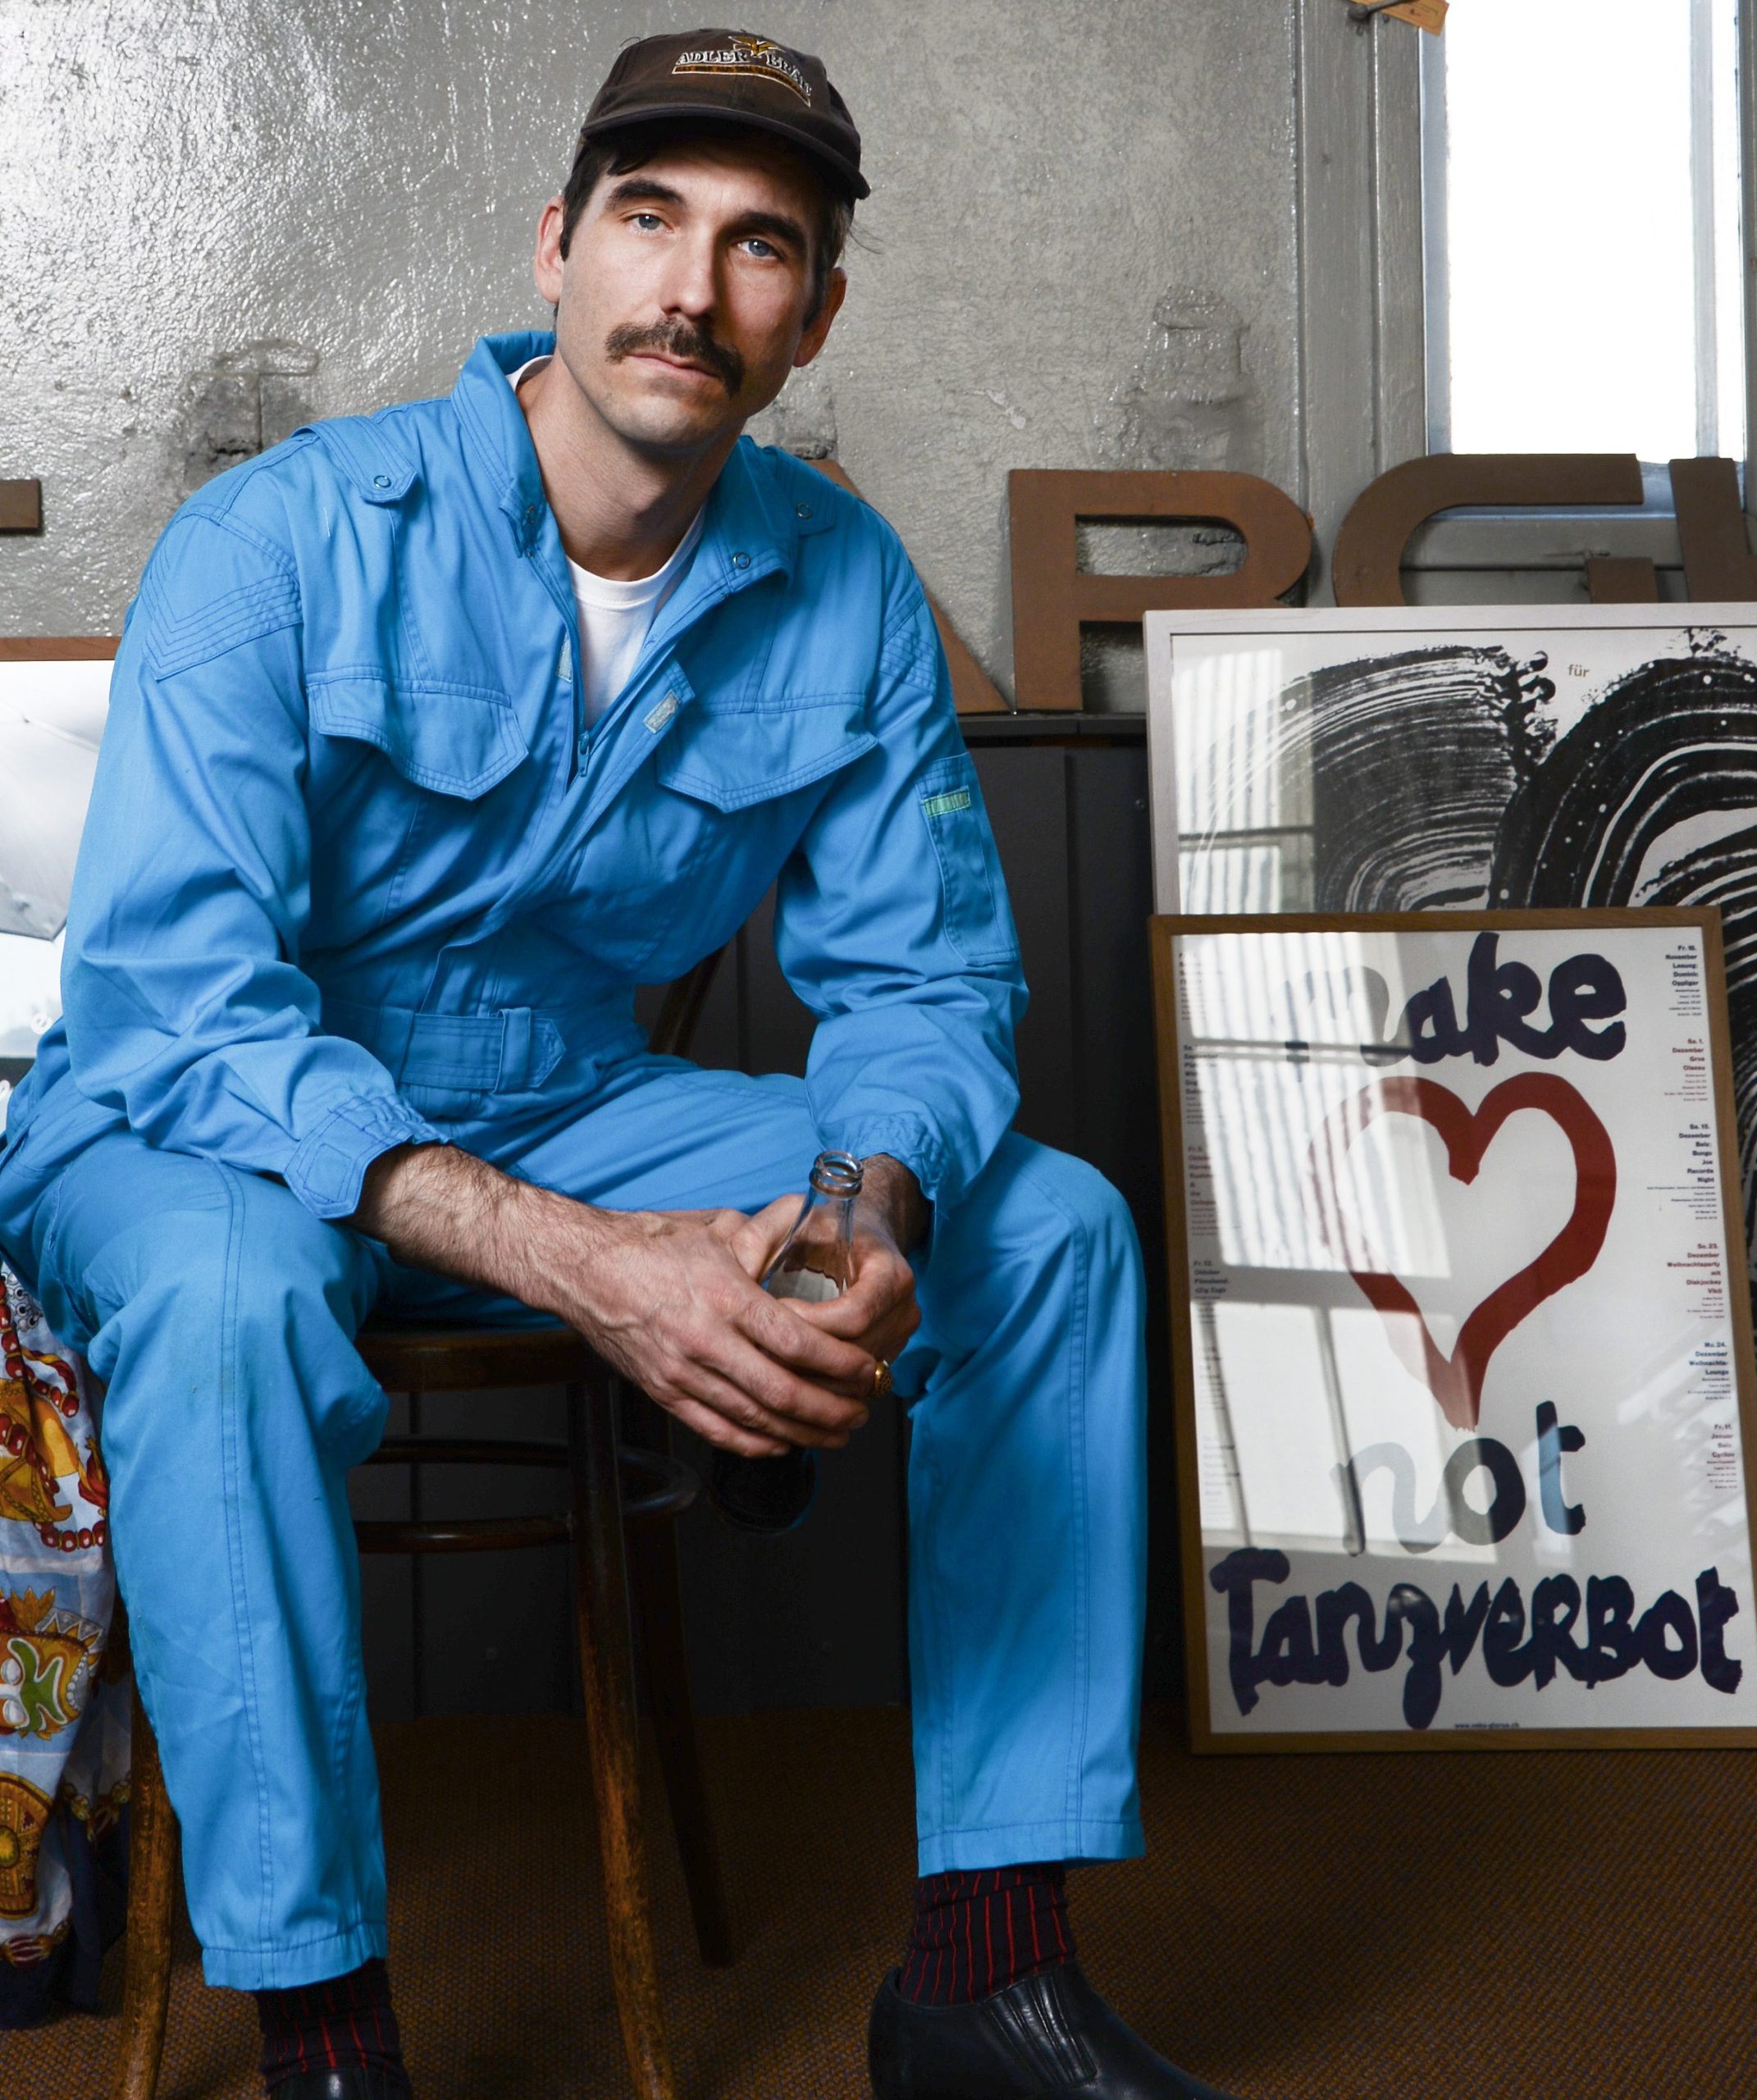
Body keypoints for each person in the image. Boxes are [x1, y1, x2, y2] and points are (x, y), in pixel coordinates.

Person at [0, 29, 1246, 2100]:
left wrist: (850, 1230)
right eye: (649, 219)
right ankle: (325, 2030)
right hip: (193, 1122)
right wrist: (597, 1265)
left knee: (1049, 1226)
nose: (693, 287)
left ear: (815, 312)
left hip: (564, 1094)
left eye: (762, 247)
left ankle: (986, 1975)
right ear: (557, 246)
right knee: (224, 1303)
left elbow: (926, 988)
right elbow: (189, 1011)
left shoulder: (836, 578)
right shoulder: (278, 540)